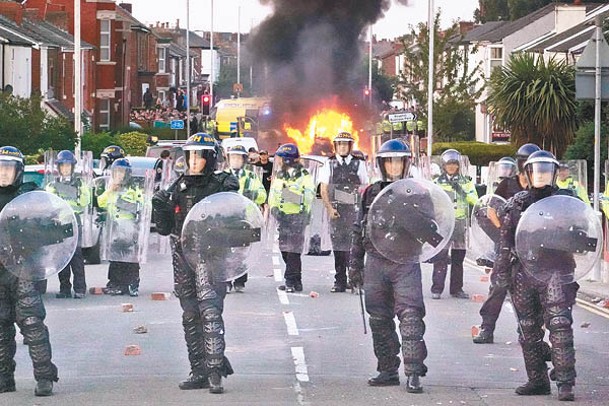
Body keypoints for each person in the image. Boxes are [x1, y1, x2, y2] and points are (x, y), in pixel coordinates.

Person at [152, 133, 239, 394]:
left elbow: (234, 217)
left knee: (210, 313)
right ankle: (198, 370)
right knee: (190, 314)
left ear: (210, 158)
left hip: (211, 255)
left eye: (199, 156)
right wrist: (160, 206)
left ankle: (215, 371)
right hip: (182, 255)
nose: (193, 161)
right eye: (190, 155)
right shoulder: (178, 186)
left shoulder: (223, 184)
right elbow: (166, 228)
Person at [494, 150, 579, 401]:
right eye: (537, 170)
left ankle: (565, 381)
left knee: (559, 325)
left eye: (546, 170)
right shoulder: (517, 202)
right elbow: (505, 241)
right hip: (524, 270)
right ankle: (538, 379)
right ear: (529, 174)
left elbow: (579, 233)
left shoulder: (566, 200)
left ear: (553, 173)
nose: (541, 175)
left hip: (555, 270)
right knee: (528, 329)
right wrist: (500, 273)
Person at [349, 139, 427, 393]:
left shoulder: (418, 192)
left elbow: (431, 230)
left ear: (406, 164)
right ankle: (387, 368)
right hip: (376, 260)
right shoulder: (371, 192)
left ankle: (414, 371)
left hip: (405, 260)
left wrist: (407, 213)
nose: (394, 166)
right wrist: (354, 264)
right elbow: (359, 228)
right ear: (382, 164)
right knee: (379, 317)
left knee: (411, 316)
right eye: (389, 161)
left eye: (398, 161)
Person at [0, 146, 58, 396]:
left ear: (19, 171)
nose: (3, 174)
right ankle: (4, 378)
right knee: (0, 327)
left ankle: (44, 376)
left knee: (32, 323)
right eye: (0, 168)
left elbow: (53, 228)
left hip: (23, 269)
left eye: (8, 169)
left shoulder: (31, 197)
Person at [473, 144, 540, 344]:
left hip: (531, 248)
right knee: (498, 288)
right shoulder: (508, 185)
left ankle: (528, 333)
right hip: (506, 246)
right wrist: (504, 232)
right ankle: (487, 328)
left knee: (531, 292)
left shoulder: (541, 189)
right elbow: (492, 209)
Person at [319, 131, 369, 292]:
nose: (342, 147)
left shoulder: (359, 164)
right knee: (338, 247)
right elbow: (324, 188)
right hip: (336, 211)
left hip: (353, 211)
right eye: (339, 144)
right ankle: (339, 281)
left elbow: (365, 187)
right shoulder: (329, 163)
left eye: (345, 144)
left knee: (354, 246)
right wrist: (329, 208)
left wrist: (361, 209)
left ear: (350, 146)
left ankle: (355, 280)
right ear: (335, 146)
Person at [268, 143, 316, 293]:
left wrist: (288, 196)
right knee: (284, 250)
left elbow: (308, 195)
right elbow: (274, 193)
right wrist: (273, 207)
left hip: (297, 217)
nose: (282, 162)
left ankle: (289, 280)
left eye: (284, 159)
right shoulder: (280, 175)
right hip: (283, 218)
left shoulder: (304, 176)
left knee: (293, 251)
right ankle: (297, 280)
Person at [430, 149, 478, 299]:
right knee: (440, 257)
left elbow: (475, 201)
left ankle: (456, 289)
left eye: (454, 164)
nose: (451, 167)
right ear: (444, 166)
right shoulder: (437, 183)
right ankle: (437, 288)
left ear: (458, 166)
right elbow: (432, 201)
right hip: (443, 224)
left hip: (459, 224)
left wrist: (461, 191)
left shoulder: (467, 181)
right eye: (449, 164)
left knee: (458, 258)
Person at [45, 150, 90, 299]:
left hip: (74, 222)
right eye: (62, 166)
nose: (65, 169)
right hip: (59, 223)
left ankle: (80, 289)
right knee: (61, 257)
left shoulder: (80, 183)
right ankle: (64, 288)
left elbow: (84, 202)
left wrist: (68, 196)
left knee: (76, 257)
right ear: (59, 168)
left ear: (72, 167)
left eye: (68, 166)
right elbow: (51, 202)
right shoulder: (53, 184)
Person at [97, 159, 144, 297]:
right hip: (114, 228)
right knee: (115, 258)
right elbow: (101, 202)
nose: (119, 175)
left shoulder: (133, 189)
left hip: (129, 228)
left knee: (129, 257)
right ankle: (115, 283)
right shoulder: (110, 189)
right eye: (116, 172)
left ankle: (132, 283)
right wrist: (110, 190)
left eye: (122, 172)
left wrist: (124, 204)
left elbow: (142, 206)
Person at [224, 145, 267, 292]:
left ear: (243, 160)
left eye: (238, 157)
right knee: (226, 251)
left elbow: (262, 196)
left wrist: (251, 194)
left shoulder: (251, 177)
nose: (235, 160)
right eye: (233, 157)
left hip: (245, 219)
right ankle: (227, 280)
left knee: (242, 252)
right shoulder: (221, 175)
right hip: (227, 219)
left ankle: (240, 281)